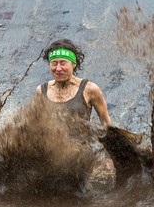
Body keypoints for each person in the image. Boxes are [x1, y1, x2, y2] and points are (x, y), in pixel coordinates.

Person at [35, 39, 116, 192]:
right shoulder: (41, 90)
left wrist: (108, 157)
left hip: (81, 153)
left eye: (63, 63)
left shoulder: (90, 89)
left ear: (74, 64)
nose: (58, 68)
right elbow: (39, 126)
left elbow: (106, 125)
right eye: (54, 63)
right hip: (53, 154)